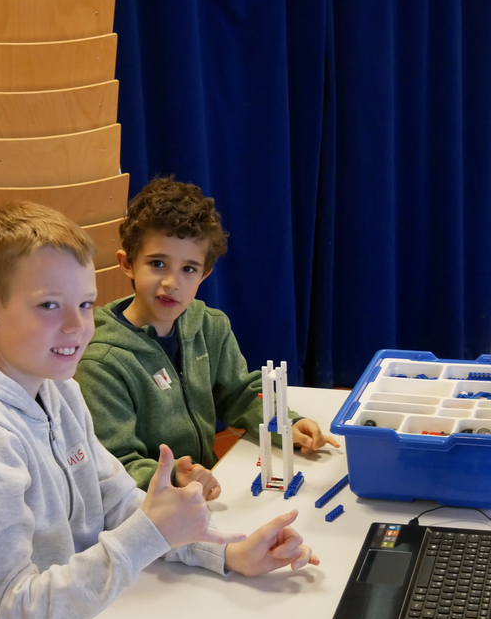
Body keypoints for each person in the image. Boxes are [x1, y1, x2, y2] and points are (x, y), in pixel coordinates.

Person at [0, 202, 319, 619]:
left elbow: (119, 502)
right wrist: (151, 533)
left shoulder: (56, 390)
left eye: (85, 303)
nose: (77, 327)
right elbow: (13, 617)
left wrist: (226, 553)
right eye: (48, 305)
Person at [77, 177, 339, 499]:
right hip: (148, 505)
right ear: (127, 264)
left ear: (205, 274)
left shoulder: (209, 325)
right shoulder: (102, 362)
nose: (172, 282)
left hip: (205, 490)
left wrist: (286, 424)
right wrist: (175, 477)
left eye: (189, 269)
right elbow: (115, 463)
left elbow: (240, 394)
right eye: (157, 263)